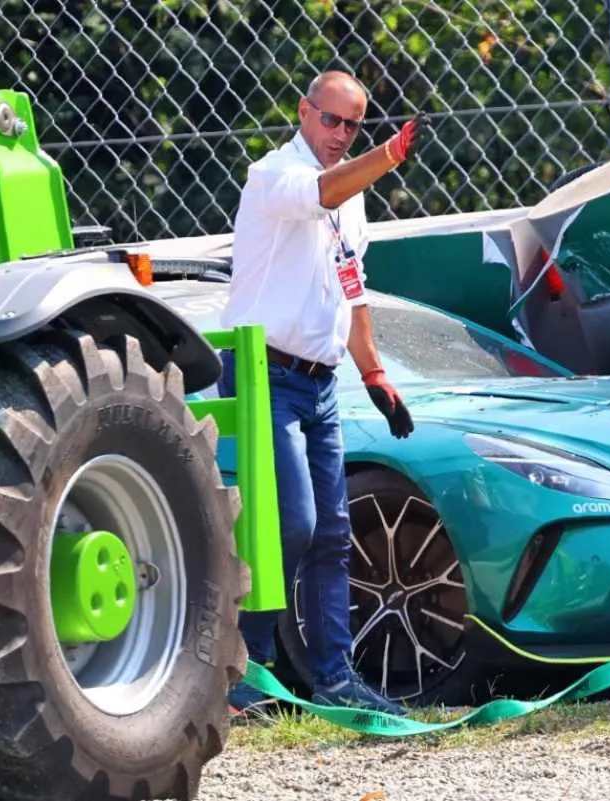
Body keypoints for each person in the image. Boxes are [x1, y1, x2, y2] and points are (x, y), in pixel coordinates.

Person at [218, 69, 423, 717]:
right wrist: (385, 155)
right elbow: (325, 190)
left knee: (332, 531)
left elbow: (351, 285)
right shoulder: (275, 175)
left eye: (353, 125)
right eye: (330, 120)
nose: (340, 134)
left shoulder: (349, 194)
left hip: (319, 380)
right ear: (304, 113)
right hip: (261, 372)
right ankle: (248, 670)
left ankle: (334, 675)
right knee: (290, 524)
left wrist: (375, 374)